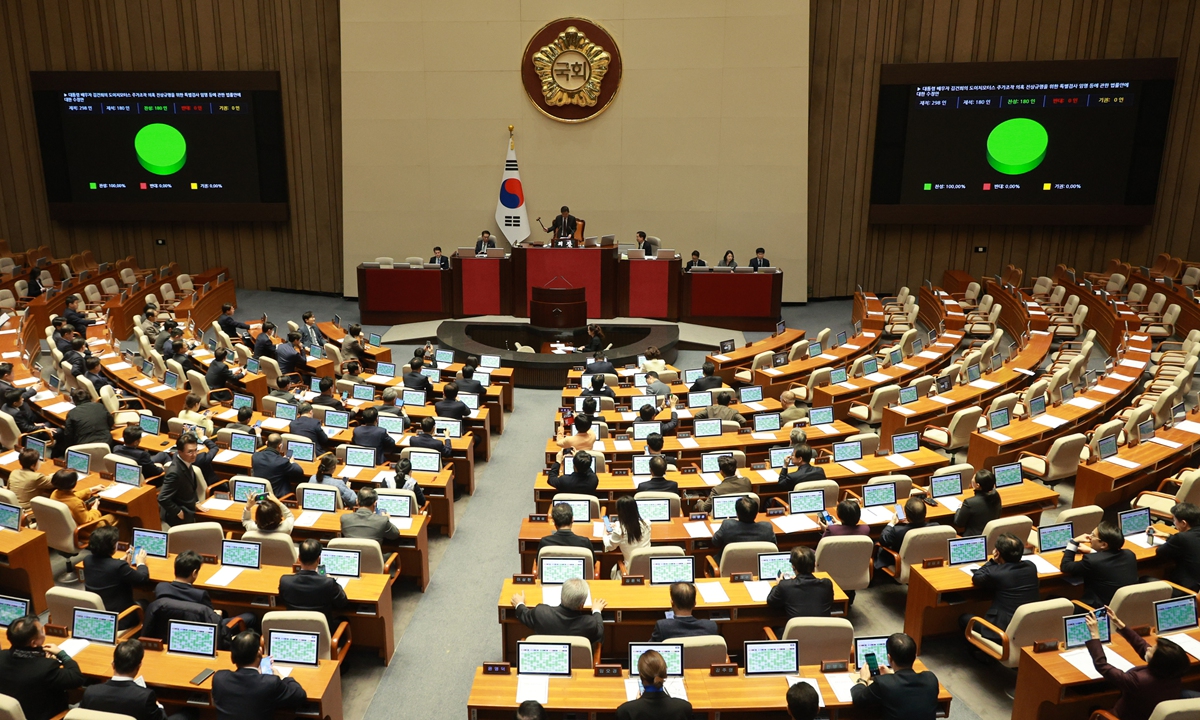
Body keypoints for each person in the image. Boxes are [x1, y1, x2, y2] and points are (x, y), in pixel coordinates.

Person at [1084, 609, 1189, 720]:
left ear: (1157, 662)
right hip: (1148, 713)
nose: (1148, 647)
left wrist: (1094, 635)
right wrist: (1120, 624)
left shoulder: (1139, 681)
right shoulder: (1173, 669)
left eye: (1151, 650)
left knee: (1094, 709)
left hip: (1123, 716)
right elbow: (1143, 646)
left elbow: (1102, 665)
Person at [0, 616, 84, 720]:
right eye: (42, 631)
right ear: (34, 643)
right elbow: (76, 678)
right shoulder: (46, 668)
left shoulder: (1, 656)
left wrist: (43, 659)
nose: (44, 633)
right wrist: (62, 655)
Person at [959, 533, 1039, 641]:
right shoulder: (1031, 566)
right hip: (1028, 626)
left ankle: (984, 653)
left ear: (998, 553)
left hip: (1000, 631)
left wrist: (993, 561)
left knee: (964, 619)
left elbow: (977, 577)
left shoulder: (996, 573)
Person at [212, 631, 306, 720]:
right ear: (260, 652)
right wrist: (282, 677)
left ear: (232, 658)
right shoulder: (270, 682)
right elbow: (300, 695)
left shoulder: (219, 679)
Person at [850, 633, 940, 720]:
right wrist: (891, 677)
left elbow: (859, 700)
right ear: (915, 657)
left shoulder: (883, 683)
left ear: (889, 658)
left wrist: (863, 679)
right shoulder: (931, 678)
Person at [79, 639, 169, 720]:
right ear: (138, 667)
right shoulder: (145, 697)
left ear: (113, 664)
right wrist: (159, 706)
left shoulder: (90, 692)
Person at [1061, 521, 1138, 607]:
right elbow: (1105, 560)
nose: (1090, 538)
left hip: (1099, 609)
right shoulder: (1129, 554)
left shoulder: (1091, 561)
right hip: (1125, 606)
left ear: (1104, 544)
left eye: (1093, 535)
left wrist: (1073, 542)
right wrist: (1092, 552)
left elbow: (1066, 566)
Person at [511, 577, 605, 647]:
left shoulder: (541, 613)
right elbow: (599, 630)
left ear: (561, 595)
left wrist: (519, 603)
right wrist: (596, 610)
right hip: (578, 663)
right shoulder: (589, 623)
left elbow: (524, 615)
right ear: (581, 605)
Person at [83, 526, 149, 624]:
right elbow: (143, 579)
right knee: (147, 603)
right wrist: (140, 563)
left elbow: (105, 568)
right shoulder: (118, 567)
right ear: (112, 546)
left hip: (97, 616)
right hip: (121, 618)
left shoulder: (87, 560)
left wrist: (120, 561)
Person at [279, 539, 349, 629]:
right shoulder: (328, 583)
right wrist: (331, 580)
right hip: (323, 630)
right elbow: (342, 603)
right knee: (343, 618)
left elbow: (282, 600)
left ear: (299, 558)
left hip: (295, 628)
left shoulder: (285, 581)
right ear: (319, 559)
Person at [616, 649, 692, 720]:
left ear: (641, 676)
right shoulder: (684, 708)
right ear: (664, 674)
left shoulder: (626, 711)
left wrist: (638, 702)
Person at [766, 546, 834, 618]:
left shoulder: (785, 586)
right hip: (821, 629)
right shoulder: (827, 584)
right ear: (814, 564)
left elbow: (771, 601)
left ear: (793, 567)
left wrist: (779, 584)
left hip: (796, 629)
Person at [878, 498, 938, 568]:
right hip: (926, 562)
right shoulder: (936, 527)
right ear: (925, 513)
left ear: (906, 515)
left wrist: (892, 522)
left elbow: (883, 539)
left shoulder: (898, 531)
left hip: (900, 565)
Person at [649, 583, 719, 641]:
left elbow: (649, 651)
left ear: (672, 603)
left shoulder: (663, 627)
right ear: (694, 604)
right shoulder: (711, 627)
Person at [158, 433, 202, 526]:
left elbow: (191, 485)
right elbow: (162, 498)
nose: (194, 455)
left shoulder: (186, 461)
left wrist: (196, 502)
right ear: (180, 452)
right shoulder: (174, 472)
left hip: (189, 508)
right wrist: (178, 512)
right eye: (190, 452)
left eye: (196, 450)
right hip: (177, 518)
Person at [1155, 502, 1200, 591]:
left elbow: (1160, 552)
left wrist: (1174, 539)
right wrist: (1168, 535)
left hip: (1188, 589)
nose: (1174, 523)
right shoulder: (1189, 536)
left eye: (1174, 520)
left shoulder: (1182, 538)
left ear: (1183, 523)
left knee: (1146, 579)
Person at [711, 496, 774, 561]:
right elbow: (774, 547)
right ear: (756, 513)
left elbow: (715, 542)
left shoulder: (728, 525)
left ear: (737, 513)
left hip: (729, 567)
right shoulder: (767, 528)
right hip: (757, 567)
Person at [603, 496, 651, 578]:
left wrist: (604, 533)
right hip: (649, 569)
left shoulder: (619, 530)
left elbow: (609, 547)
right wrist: (618, 524)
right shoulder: (647, 524)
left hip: (629, 571)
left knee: (613, 569)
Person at [51, 469, 115, 527]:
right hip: (84, 530)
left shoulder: (54, 493)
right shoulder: (76, 504)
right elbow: (88, 520)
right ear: (73, 484)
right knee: (117, 517)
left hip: (63, 528)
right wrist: (94, 509)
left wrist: (91, 489)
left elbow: (71, 497)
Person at [954, 468, 1001, 536]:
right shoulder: (996, 496)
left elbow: (959, 523)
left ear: (978, 485)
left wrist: (959, 509)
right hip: (990, 536)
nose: (972, 479)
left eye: (973, 478)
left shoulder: (970, 503)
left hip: (972, 537)